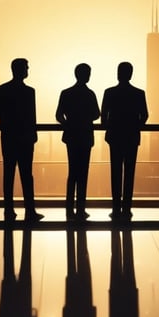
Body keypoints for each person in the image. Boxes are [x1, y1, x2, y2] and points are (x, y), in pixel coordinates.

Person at [0, 58, 43, 222]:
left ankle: (8, 210)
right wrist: (33, 134)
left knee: (8, 174)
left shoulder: (2, 89)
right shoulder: (29, 92)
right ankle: (30, 211)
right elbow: (32, 116)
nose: (28, 70)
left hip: (8, 137)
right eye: (26, 67)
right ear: (20, 70)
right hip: (25, 138)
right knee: (26, 175)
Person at [101, 62, 148, 220]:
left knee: (115, 172)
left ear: (119, 73)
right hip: (131, 136)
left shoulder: (109, 92)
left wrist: (111, 125)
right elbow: (145, 115)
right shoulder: (139, 93)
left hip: (115, 137)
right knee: (129, 172)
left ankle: (116, 208)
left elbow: (103, 118)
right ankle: (127, 208)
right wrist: (135, 126)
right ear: (131, 74)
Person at [56, 63, 101, 221]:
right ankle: (80, 208)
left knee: (73, 172)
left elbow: (59, 115)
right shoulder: (90, 94)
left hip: (72, 136)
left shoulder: (66, 93)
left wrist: (69, 123)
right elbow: (96, 114)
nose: (89, 76)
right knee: (83, 173)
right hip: (85, 136)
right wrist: (84, 118)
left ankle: (69, 208)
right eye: (88, 73)